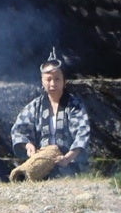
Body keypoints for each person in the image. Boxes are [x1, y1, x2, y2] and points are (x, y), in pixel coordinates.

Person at [9, 48, 90, 180]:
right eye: (49, 79)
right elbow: (18, 130)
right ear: (42, 82)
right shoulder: (35, 106)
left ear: (64, 81)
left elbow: (82, 133)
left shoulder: (74, 105)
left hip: (69, 165)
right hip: (42, 164)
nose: (53, 83)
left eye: (57, 79)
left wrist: (67, 158)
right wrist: (28, 146)